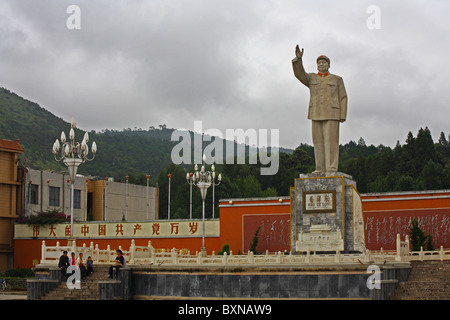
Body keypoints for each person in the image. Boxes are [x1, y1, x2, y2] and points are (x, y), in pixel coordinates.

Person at [292, 45, 348, 173]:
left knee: (331, 142)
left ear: (329, 65)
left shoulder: (337, 79)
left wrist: (343, 114)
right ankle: (320, 167)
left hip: (333, 113)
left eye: (324, 62)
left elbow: (343, 97)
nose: (321, 64)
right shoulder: (311, 78)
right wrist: (298, 60)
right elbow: (299, 74)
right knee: (318, 142)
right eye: (319, 63)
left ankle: (331, 167)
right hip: (315, 112)